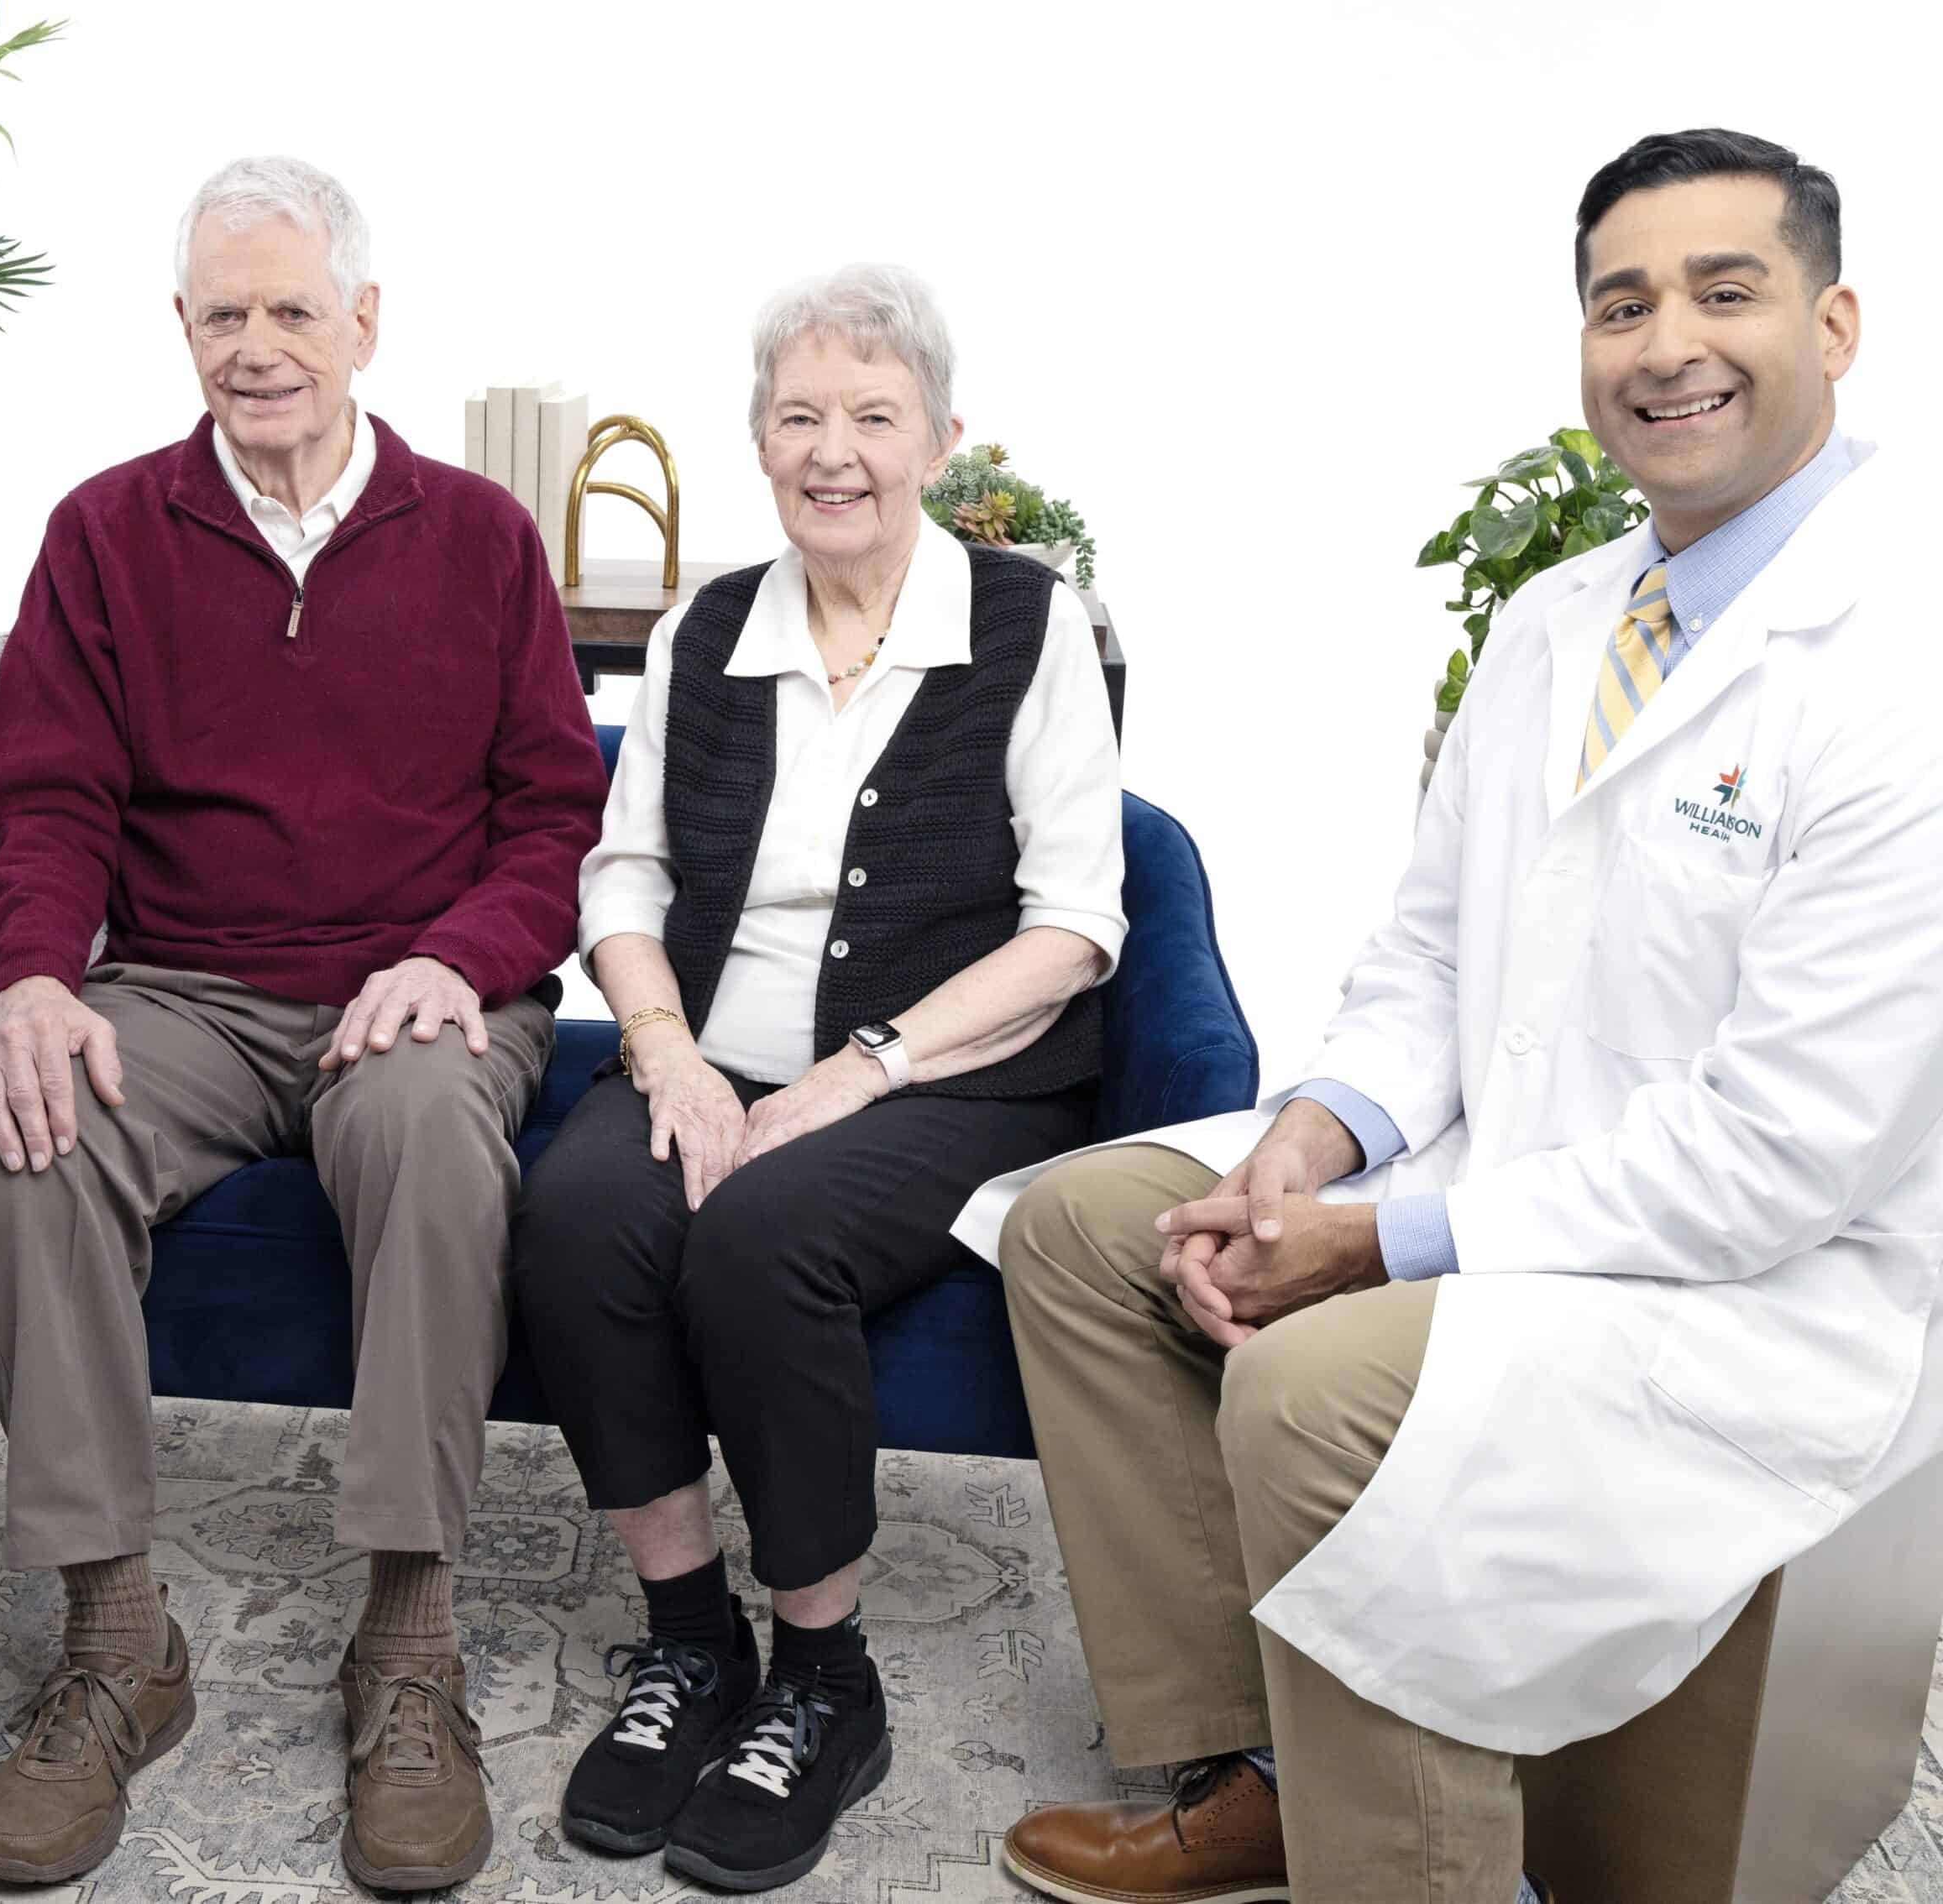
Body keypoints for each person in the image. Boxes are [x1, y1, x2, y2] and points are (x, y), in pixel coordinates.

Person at [974, 128, 1943, 1904]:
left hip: (1755, 1281)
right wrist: (1305, 1143)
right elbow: (1427, 951)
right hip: (1518, 1170)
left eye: (1722, 291)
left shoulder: (1899, 658)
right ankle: (1257, 1768)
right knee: (1081, 1229)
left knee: (1308, 1387)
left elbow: (1778, 1158)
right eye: (1618, 302)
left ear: (1835, 320)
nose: (1665, 343)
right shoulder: (1557, 620)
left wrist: (1372, 1246)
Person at [0, 154, 606, 1891]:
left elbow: (554, 818)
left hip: (414, 992)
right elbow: (46, 798)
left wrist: (460, 957)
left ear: (364, 324)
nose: (258, 348)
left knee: (421, 1136)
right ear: (182, 331)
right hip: (182, 989)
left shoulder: (480, 537)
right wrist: (28, 975)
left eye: (291, 312)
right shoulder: (106, 531)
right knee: (30, 1127)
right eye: (223, 314)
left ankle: (405, 1646)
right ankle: (114, 1643)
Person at [509, 264, 1126, 1891]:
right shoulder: (710, 625)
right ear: (758, 439)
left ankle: (821, 1676)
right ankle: (685, 1637)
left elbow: (1074, 926)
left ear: (938, 435)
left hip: (948, 1081)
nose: (831, 449)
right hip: (710, 1049)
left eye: (870, 415)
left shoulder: (1024, 621)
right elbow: (621, 879)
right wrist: (662, 1055)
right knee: (576, 1215)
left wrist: (861, 1070)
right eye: (798, 416)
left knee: (761, 1236)